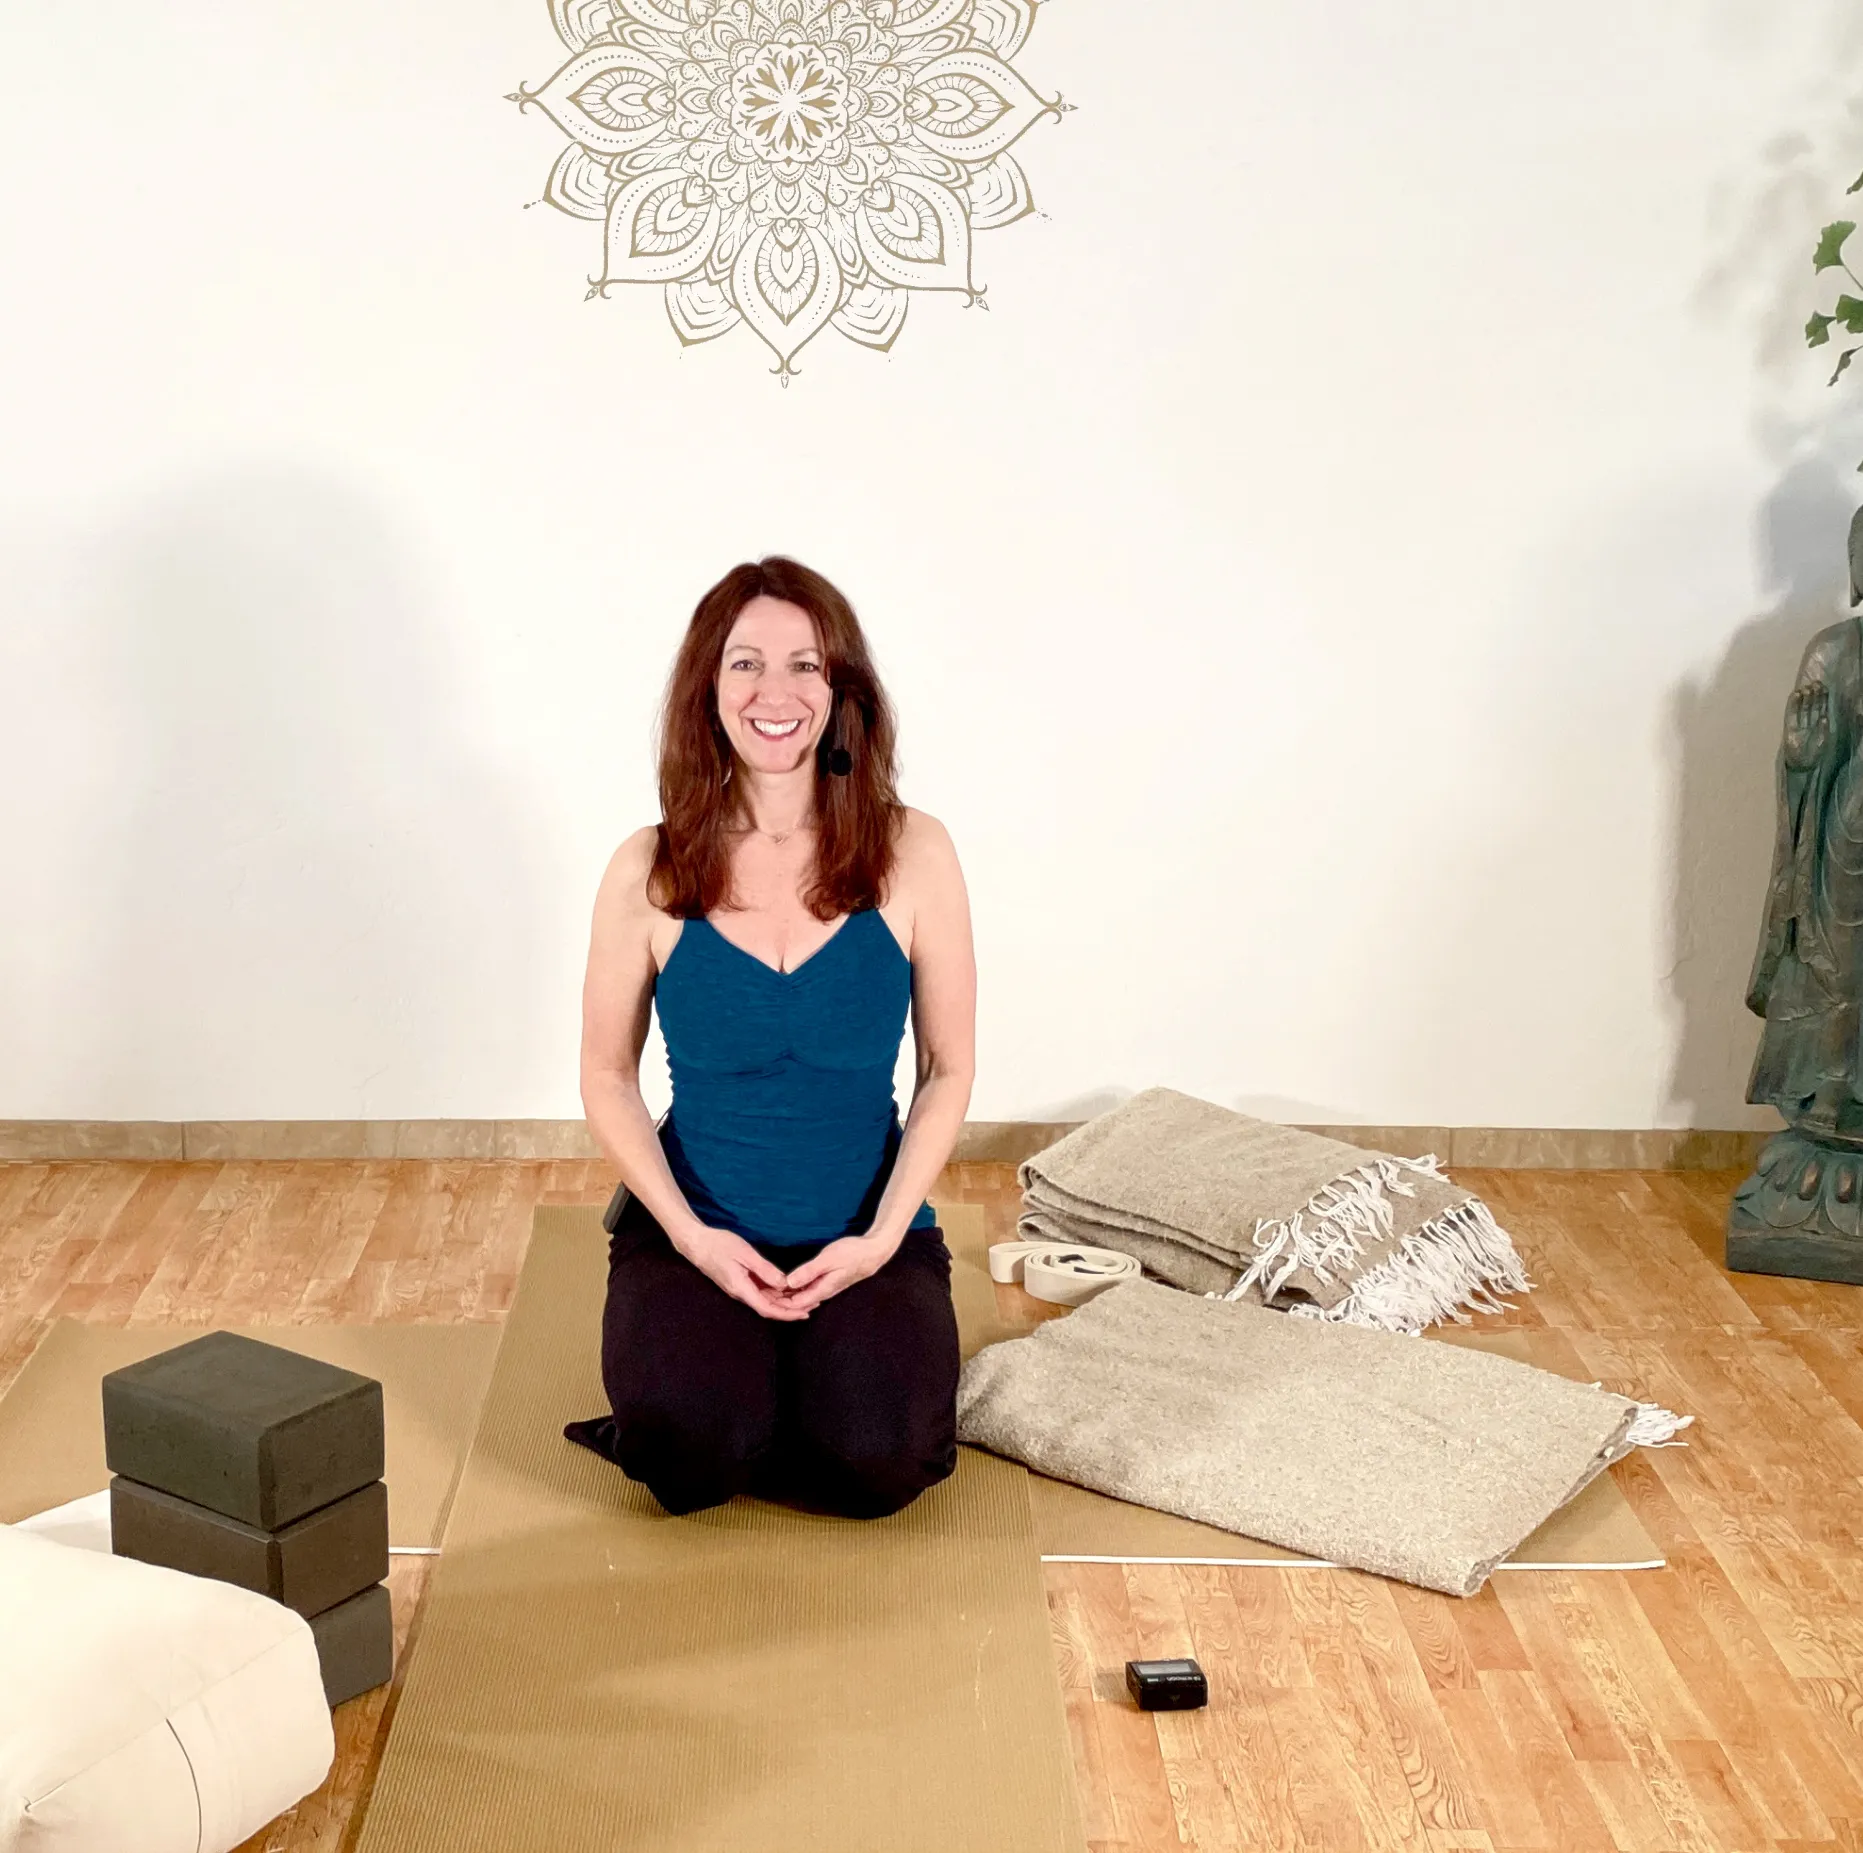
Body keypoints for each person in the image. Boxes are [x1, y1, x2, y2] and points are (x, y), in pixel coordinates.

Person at [566, 557, 977, 1518]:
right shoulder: (648, 866)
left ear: (840, 692)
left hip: (863, 1232)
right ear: (708, 689)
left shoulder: (916, 851)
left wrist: (879, 1242)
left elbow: (949, 1068)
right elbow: (605, 1073)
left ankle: (808, 1400)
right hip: (697, 1231)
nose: (775, 693)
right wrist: (691, 1236)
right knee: (688, 1461)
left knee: (883, 1466)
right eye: (745, 664)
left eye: (805, 665)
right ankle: (727, 1408)